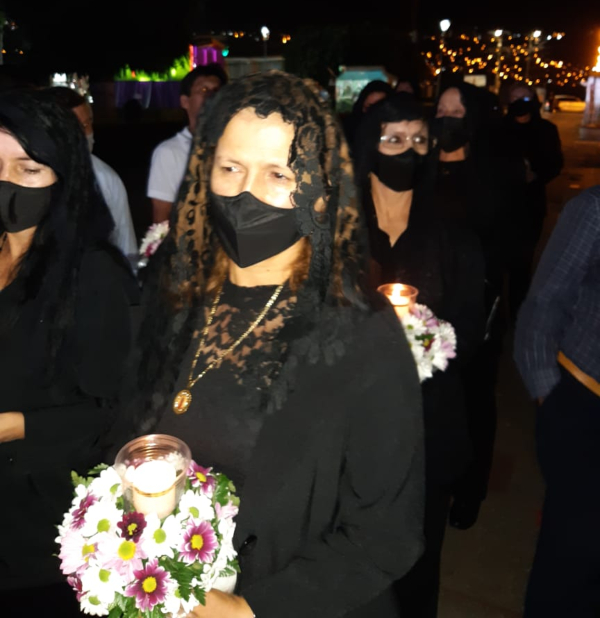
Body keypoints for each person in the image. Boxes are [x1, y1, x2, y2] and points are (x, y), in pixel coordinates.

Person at [118, 70, 425, 618]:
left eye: (279, 174)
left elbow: (387, 535)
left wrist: (248, 610)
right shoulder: (173, 302)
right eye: (230, 168)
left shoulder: (361, 336)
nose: (245, 193)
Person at [0, 90, 140, 616]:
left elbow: (111, 414)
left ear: (63, 178)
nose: (6, 184)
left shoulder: (92, 275)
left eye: (28, 169)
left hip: (43, 539)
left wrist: (12, 425)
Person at [352, 92, 486, 617]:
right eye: (393, 139)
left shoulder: (451, 230)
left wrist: (427, 345)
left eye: (417, 140)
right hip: (349, 425)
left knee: (416, 557)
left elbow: (470, 330)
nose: (406, 151)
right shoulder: (337, 229)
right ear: (370, 146)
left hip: (425, 426)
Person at [430, 81, 524, 530]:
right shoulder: (422, 170)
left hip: (474, 312)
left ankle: (471, 490)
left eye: (457, 110)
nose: (447, 118)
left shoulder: (492, 174)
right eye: (441, 109)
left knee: (473, 403)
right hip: (421, 312)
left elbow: (506, 242)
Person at [513, 185, 600, 618]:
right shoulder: (593, 208)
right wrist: (550, 395)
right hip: (586, 404)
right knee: (572, 557)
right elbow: (543, 304)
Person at [43, 86, 139, 270]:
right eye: (77, 127)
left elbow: (125, 243)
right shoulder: (28, 177)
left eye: (88, 124)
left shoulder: (106, 178)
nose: (86, 133)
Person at [500, 81, 564, 322]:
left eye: (525, 99)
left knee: (522, 266)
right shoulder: (498, 130)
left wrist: (536, 175)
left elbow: (555, 164)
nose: (519, 104)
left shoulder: (546, 130)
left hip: (530, 209)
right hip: (500, 208)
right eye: (514, 98)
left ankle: (518, 316)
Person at [147, 63, 229, 224]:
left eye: (216, 91)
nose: (211, 96)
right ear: (185, 101)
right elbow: (161, 220)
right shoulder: (170, 152)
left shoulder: (236, 148)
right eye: (203, 90)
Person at [341, 79, 393, 151]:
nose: (374, 113)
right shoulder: (349, 129)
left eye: (379, 108)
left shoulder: (395, 130)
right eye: (370, 107)